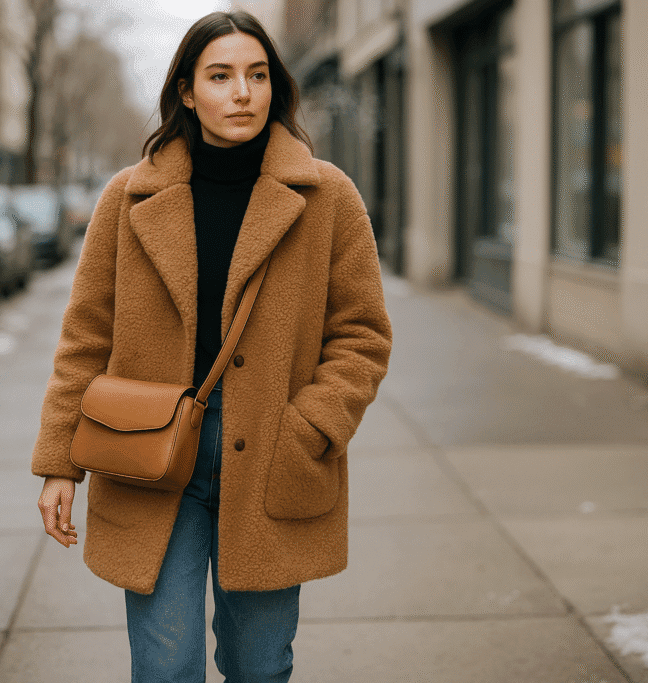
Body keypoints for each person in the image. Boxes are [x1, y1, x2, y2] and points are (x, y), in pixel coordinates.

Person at [33, 10, 392, 682]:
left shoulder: (327, 197)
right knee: (165, 665)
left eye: (257, 75)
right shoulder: (127, 198)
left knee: (260, 665)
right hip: (149, 453)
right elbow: (85, 338)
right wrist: (60, 461)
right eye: (221, 75)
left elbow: (363, 335)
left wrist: (311, 425)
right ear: (188, 91)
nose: (242, 92)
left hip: (272, 452)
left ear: (276, 88)